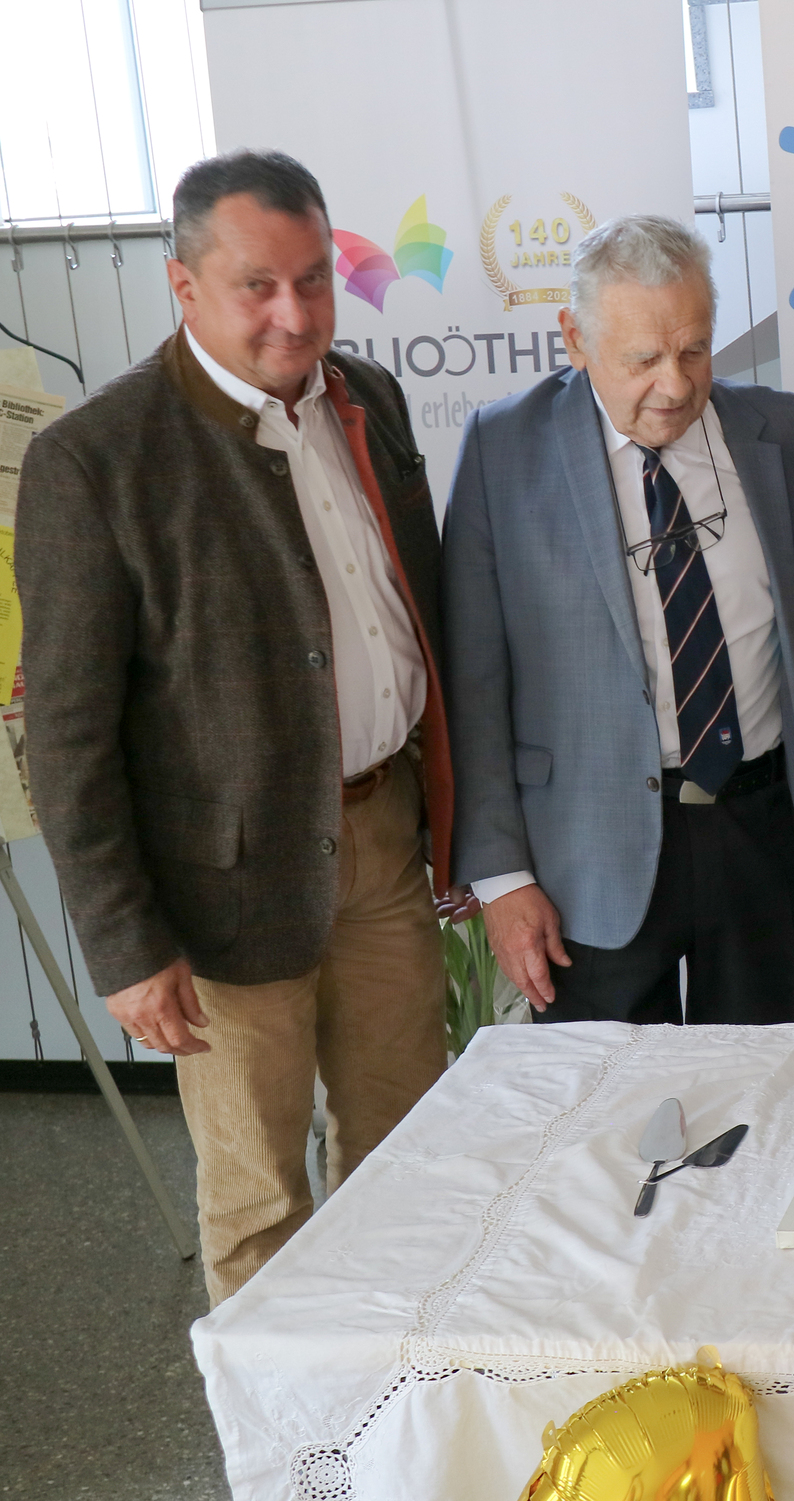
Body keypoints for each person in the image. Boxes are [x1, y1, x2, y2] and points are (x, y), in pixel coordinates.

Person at [17, 150, 454, 1304]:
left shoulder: (368, 396)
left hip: (381, 845)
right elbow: (66, 735)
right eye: (259, 284)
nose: (295, 313)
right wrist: (124, 944)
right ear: (183, 284)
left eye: (313, 280)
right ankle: (289, 1469)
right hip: (220, 895)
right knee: (262, 1197)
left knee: (407, 1154)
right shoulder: (95, 461)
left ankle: (397, 1442)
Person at [444, 215, 794, 1025]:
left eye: (694, 351)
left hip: (765, 832)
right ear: (575, 338)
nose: (674, 384)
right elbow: (472, 676)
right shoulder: (503, 451)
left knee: (761, 1105)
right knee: (605, 1122)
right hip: (583, 856)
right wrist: (501, 877)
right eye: (642, 359)